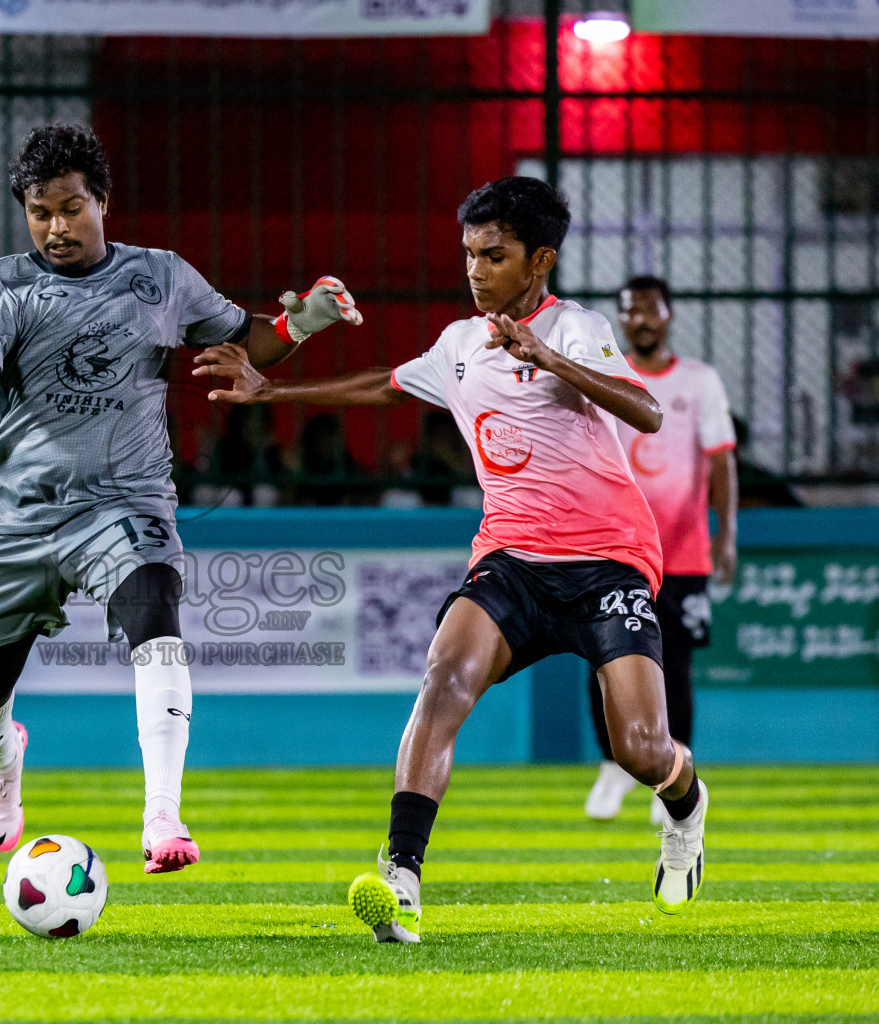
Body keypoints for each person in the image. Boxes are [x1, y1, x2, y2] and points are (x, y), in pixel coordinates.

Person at [193, 176, 710, 940]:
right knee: (444, 680)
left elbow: (646, 408)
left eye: (493, 256)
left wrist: (549, 357)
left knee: (639, 748)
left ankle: (687, 803)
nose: (475, 270)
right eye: (469, 253)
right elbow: (389, 388)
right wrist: (270, 393)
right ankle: (401, 875)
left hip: (608, 561)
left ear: (540, 262)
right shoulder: (461, 343)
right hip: (510, 557)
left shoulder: (575, 328)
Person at [0, 123, 360, 872]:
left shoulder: (161, 278)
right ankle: (3, 753)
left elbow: (246, 335)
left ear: (103, 200)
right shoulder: (5, 285)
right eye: (40, 212)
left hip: (125, 502)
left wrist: (303, 322)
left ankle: (163, 818)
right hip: (22, 514)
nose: (56, 227)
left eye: (71, 208)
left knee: (156, 616)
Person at [583, 276, 737, 825]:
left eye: (650, 310)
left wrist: (727, 534)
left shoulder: (699, 382)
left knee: (676, 664)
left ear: (669, 314)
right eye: (630, 311)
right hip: (614, 550)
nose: (641, 320)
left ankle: (673, 772)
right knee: (603, 657)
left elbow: (721, 460)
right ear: (620, 319)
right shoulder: (605, 379)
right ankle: (610, 766)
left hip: (684, 553)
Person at [294, 413, 368, 506]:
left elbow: (368, 501)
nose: (327, 445)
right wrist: (292, 475)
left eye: (331, 438)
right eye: (321, 439)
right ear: (312, 444)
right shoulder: (302, 473)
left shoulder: (353, 472)